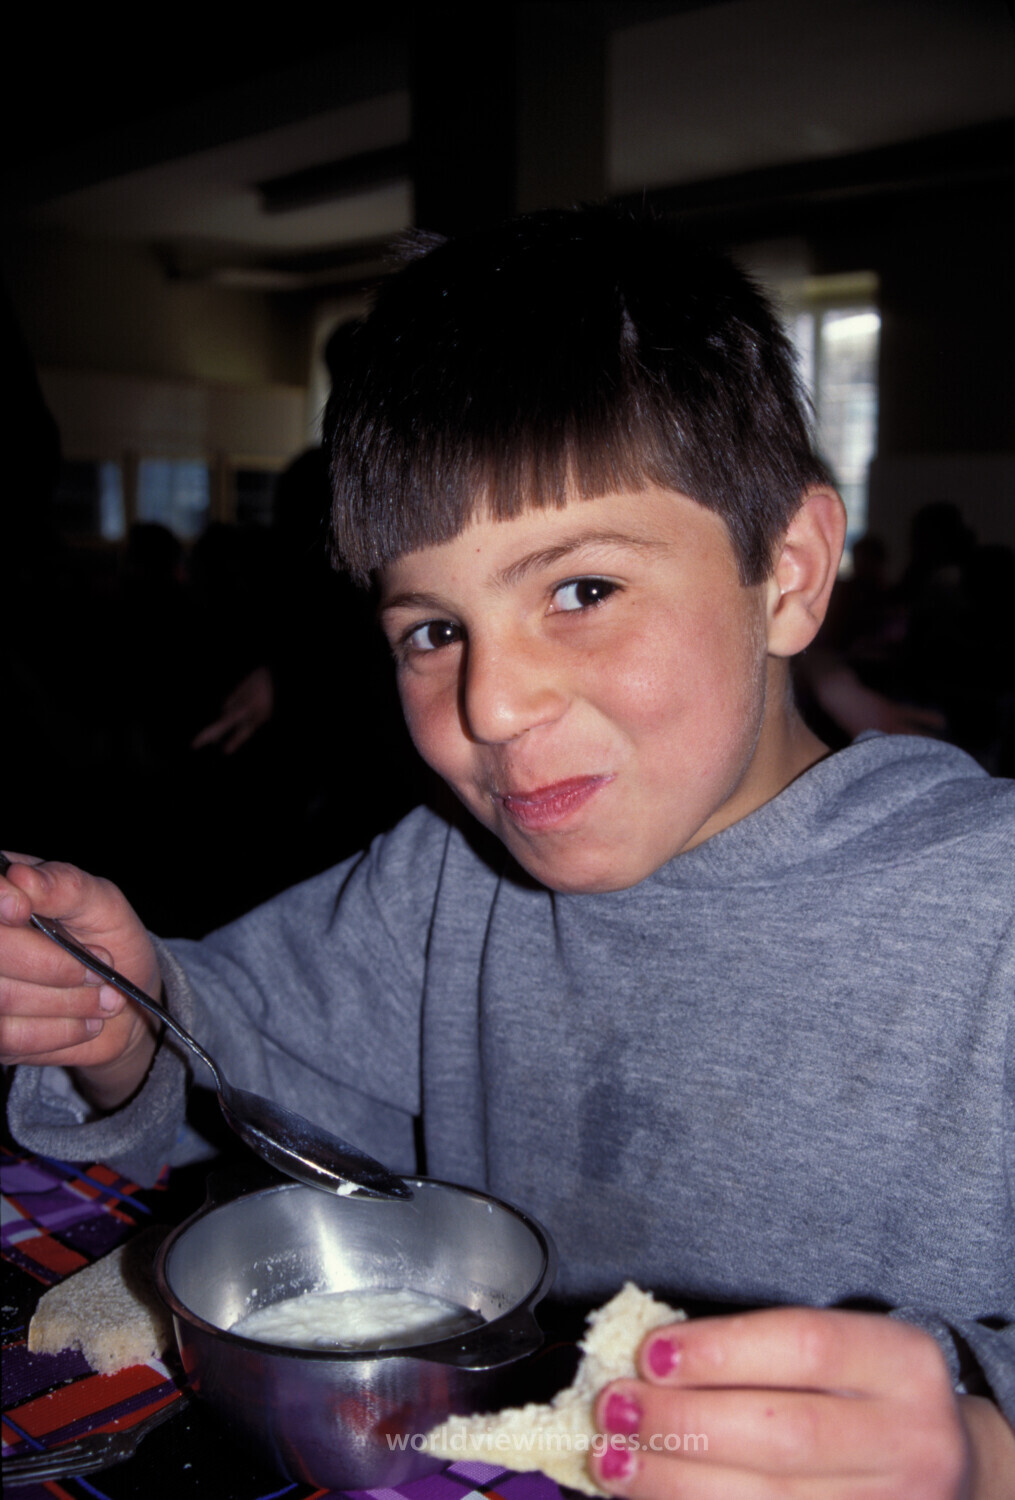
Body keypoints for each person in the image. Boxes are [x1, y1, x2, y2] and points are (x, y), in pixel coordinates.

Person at [2, 208, 1013, 1497]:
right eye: (431, 630)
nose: (491, 704)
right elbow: (237, 1039)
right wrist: (119, 1018)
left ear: (791, 573)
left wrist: (983, 1453)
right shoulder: (448, 885)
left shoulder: (991, 912)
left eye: (580, 591)